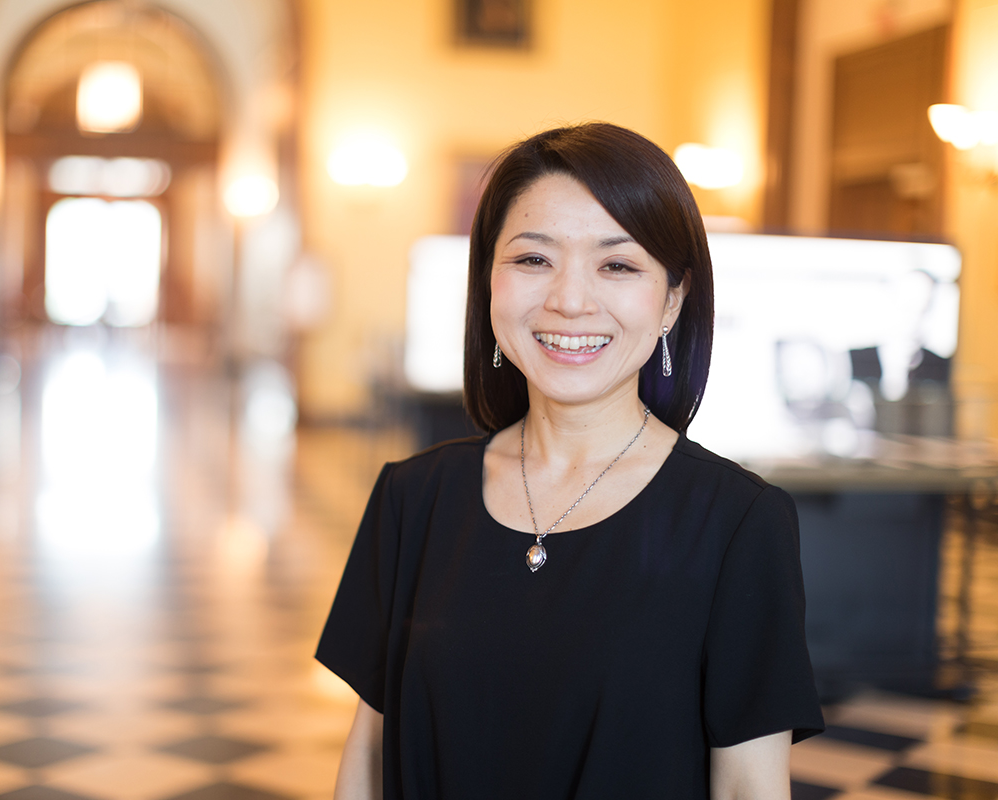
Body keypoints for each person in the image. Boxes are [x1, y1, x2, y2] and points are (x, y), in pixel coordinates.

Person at [316, 122, 824, 799]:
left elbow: (747, 789)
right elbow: (369, 757)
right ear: (488, 284)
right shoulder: (414, 498)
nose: (570, 300)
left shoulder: (738, 524)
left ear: (672, 299)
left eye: (617, 265)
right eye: (533, 260)